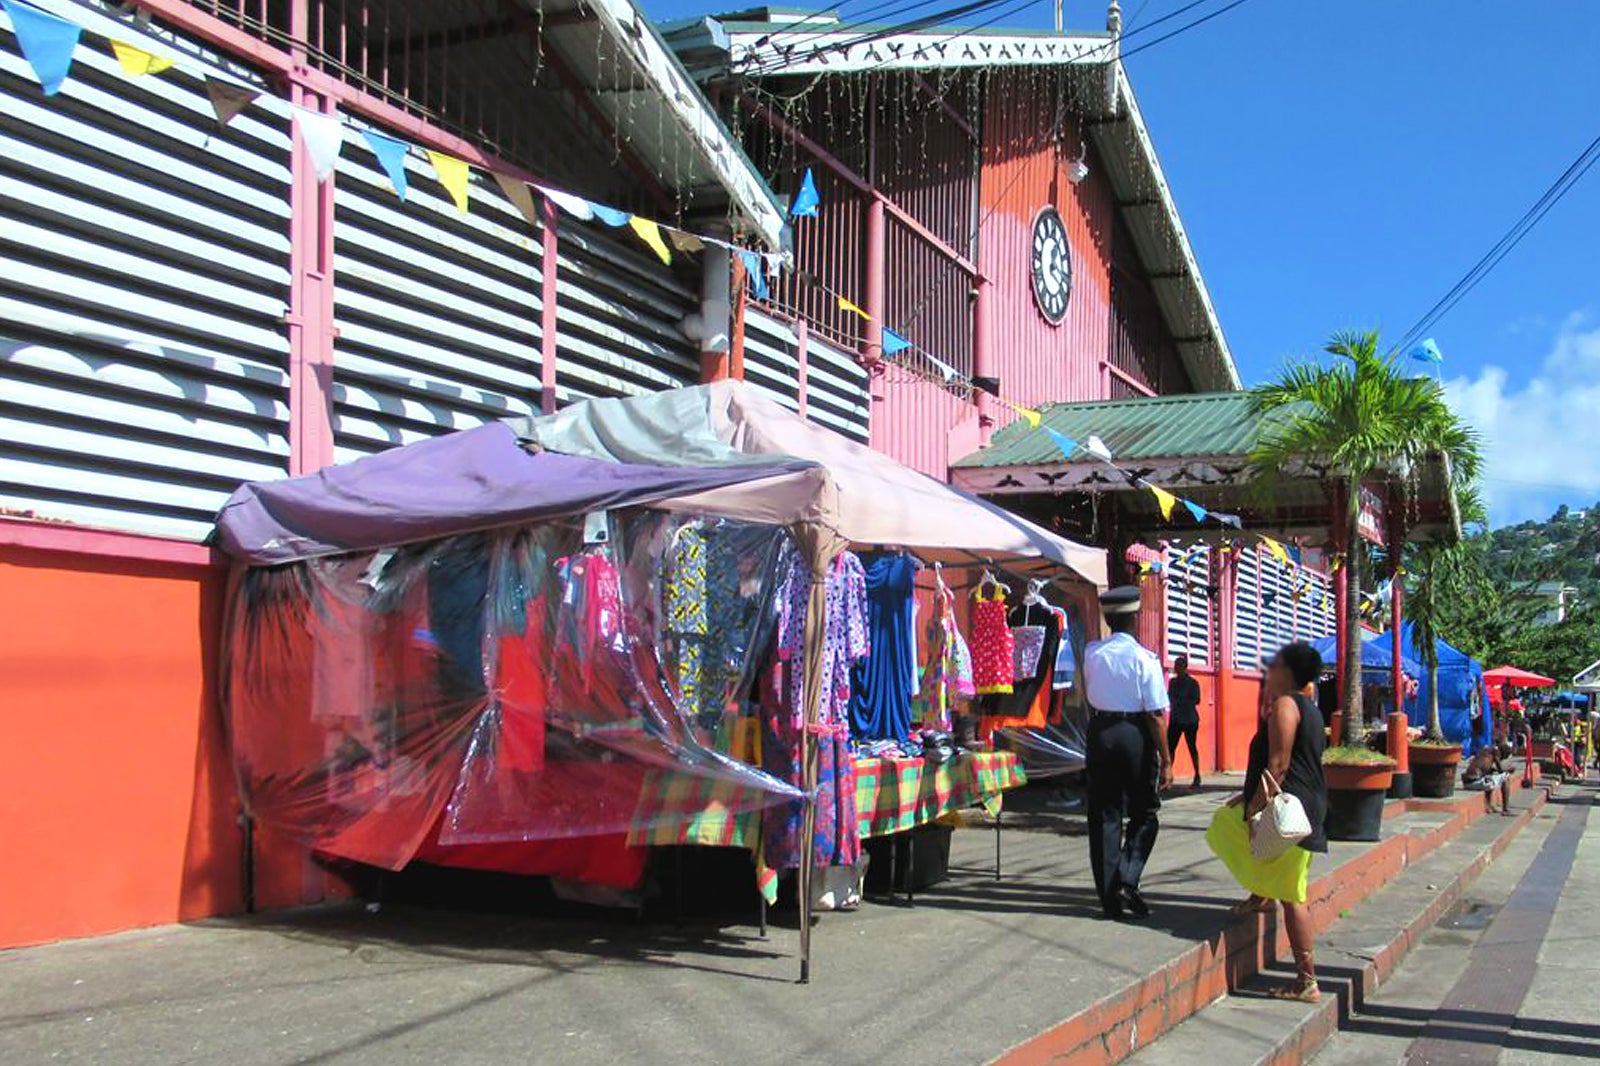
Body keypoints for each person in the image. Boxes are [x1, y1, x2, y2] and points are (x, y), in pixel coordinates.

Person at [1228, 642, 1328, 1003]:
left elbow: (1280, 764)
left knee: (1293, 896)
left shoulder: (1286, 705)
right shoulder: (1309, 707)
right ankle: (1260, 893)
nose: (1269, 671)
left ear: (1288, 673)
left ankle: (1306, 981)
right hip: (1305, 805)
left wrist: (1257, 806)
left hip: (1291, 811)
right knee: (1284, 881)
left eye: (1276, 665)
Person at [1082, 585, 1171, 921]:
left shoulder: (1092, 653)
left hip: (1100, 733)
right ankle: (1128, 879)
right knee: (1145, 811)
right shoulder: (1144, 659)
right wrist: (1167, 757)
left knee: (1104, 814)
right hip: (1135, 736)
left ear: (1108, 618)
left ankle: (1109, 898)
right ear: (1135, 618)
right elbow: (1154, 714)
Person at [1167, 655, 1203, 789]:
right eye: (1176, 666)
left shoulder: (1193, 683)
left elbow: (1197, 699)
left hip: (1190, 719)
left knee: (1192, 747)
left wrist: (1182, 701)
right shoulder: (1172, 682)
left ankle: (1197, 775)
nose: (1177, 669)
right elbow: (1169, 697)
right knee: (1170, 747)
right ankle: (1167, 775)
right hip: (1176, 719)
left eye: (1179, 666)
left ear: (1185, 667)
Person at [1462, 745, 1511, 815]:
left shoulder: (1486, 752)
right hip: (1475, 782)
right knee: (1505, 777)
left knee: (1490, 779)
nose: (1501, 760)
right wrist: (1509, 769)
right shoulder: (1496, 752)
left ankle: (1489, 805)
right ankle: (1505, 809)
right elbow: (1501, 770)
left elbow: (1485, 769)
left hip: (1468, 782)